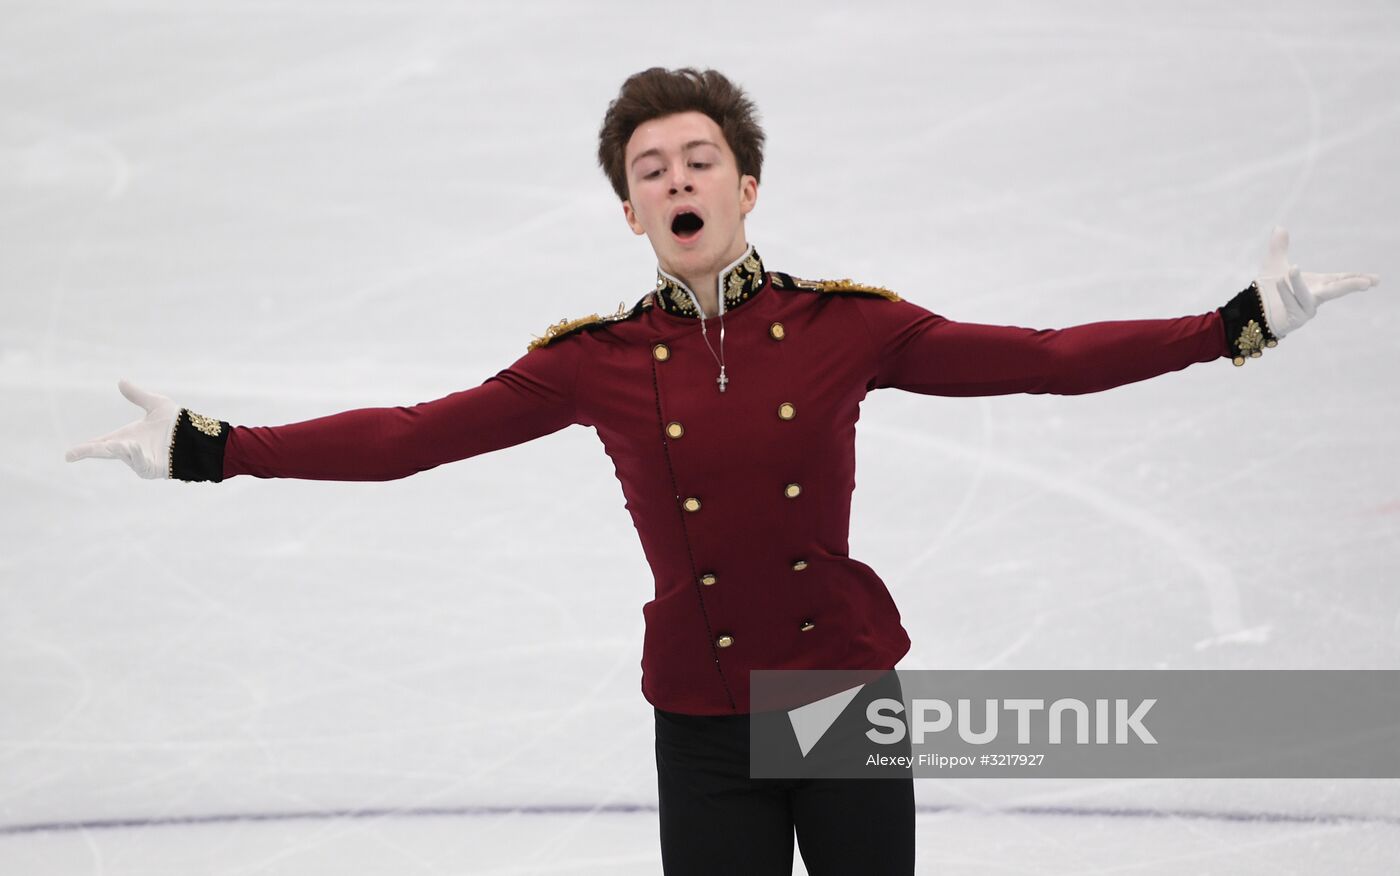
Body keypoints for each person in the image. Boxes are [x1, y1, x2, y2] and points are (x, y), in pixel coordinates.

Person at [65, 67, 1380, 875]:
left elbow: (1040, 358)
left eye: (699, 158)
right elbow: (416, 437)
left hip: (839, 692)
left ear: (747, 185)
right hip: (700, 716)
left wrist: (1232, 324)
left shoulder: (847, 327)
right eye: (652, 170)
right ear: (630, 212)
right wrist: (212, 451)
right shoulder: (593, 362)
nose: (678, 177)